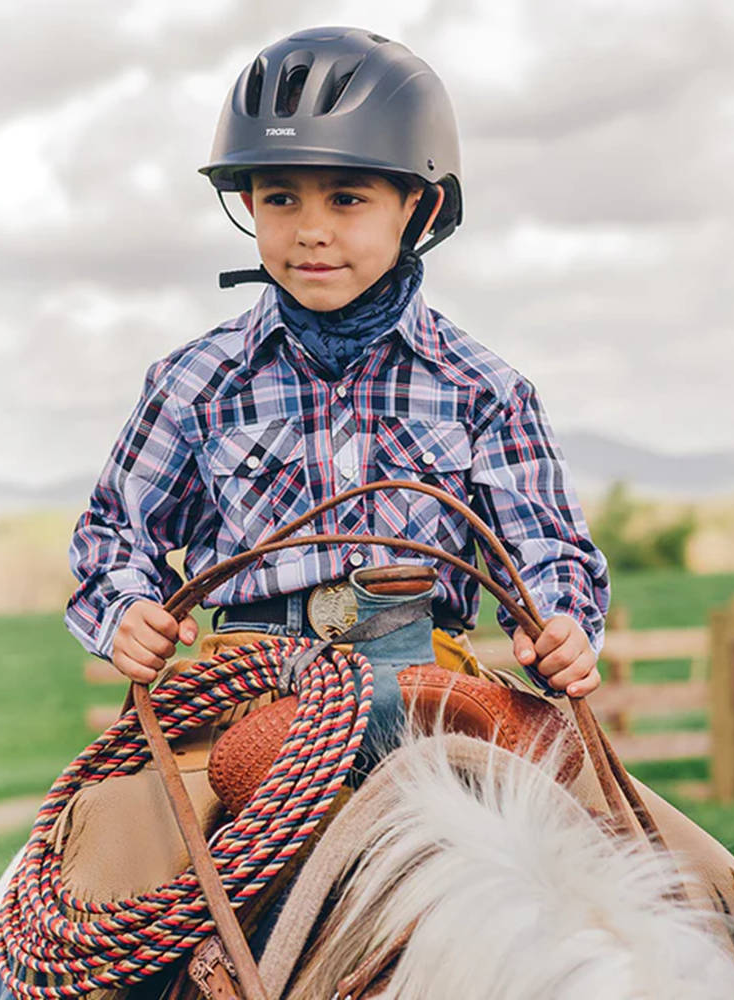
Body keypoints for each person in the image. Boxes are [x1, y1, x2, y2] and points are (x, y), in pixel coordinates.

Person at [65, 26, 610, 701]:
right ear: (247, 204)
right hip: (247, 683)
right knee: (110, 809)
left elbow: (548, 551)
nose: (311, 229)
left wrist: (560, 622)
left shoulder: (485, 389)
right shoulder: (192, 384)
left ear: (419, 204)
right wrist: (124, 610)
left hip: (426, 677)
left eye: (347, 198)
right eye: (281, 198)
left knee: (599, 807)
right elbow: (114, 533)